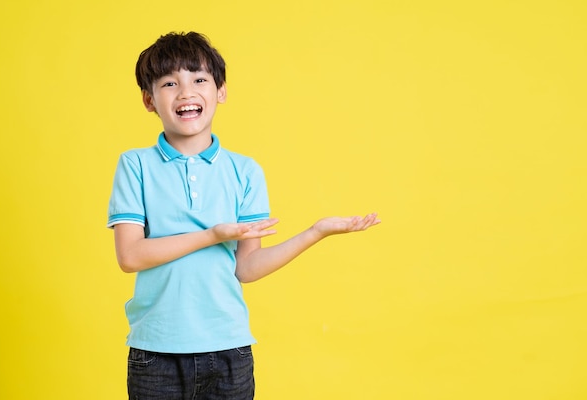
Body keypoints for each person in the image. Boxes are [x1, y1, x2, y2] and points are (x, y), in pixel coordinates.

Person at [107, 31, 381, 400]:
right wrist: (212, 235)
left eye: (199, 80)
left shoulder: (245, 171)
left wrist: (316, 232)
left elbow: (246, 268)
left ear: (220, 91)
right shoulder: (135, 165)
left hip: (229, 350)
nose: (186, 92)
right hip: (156, 352)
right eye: (170, 83)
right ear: (149, 100)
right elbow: (130, 256)